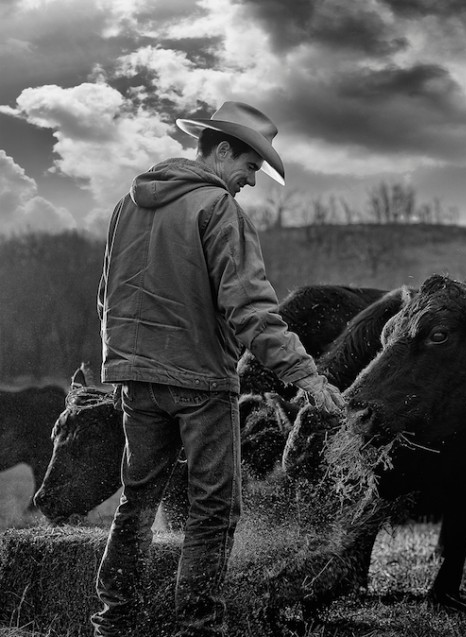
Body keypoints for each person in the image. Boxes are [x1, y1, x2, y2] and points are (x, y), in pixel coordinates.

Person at [91, 101, 345, 637]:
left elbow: (106, 297)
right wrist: (307, 376)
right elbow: (250, 309)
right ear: (223, 149)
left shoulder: (125, 207)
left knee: (137, 499)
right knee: (213, 509)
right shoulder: (218, 210)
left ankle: (113, 622)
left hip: (136, 379)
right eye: (251, 167)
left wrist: (123, 365)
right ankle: (198, 627)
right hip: (200, 382)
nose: (251, 181)